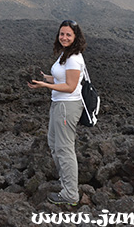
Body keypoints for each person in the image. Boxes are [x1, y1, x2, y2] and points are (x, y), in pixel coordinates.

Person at [28, 19, 87, 206]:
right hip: (58, 104)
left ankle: (70, 194)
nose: (64, 37)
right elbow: (62, 78)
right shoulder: (65, 55)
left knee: (64, 148)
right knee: (54, 144)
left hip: (67, 107)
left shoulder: (73, 58)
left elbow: (70, 87)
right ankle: (66, 184)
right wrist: (45, 78)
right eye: (62, 34)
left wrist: (45, 85)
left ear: (75, 37)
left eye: (68, 34)